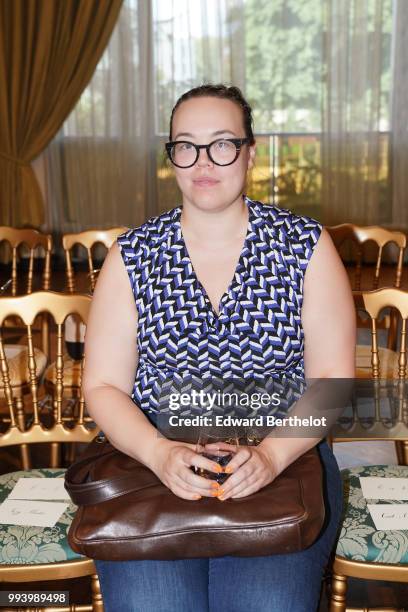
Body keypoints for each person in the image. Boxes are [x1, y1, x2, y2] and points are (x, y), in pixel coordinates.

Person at [83, 84, 356, 612]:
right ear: (171, 156)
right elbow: (103, 385)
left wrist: (272, 455)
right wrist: (160, 453)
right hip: (149, 465)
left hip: (282, 467)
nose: (203, 161)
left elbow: (331, 381)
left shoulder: (304, 246)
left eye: (223, 143)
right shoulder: (134, 254)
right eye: (186, 145)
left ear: (250, 152)